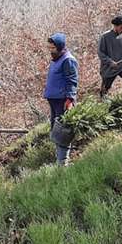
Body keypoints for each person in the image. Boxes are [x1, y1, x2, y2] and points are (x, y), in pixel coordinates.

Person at [43, 33, 79, 166]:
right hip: (53, 100)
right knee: (55, 129)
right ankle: (59, 159)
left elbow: (72, 80)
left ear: (60, 47)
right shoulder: (56, 60)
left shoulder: (68, 60)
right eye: (49, 48)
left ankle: (63, 162)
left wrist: (70, 99)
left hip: (63, 101)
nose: (51, 51)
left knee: (63, 130)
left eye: (53, 48)